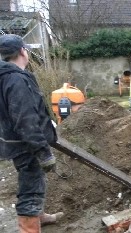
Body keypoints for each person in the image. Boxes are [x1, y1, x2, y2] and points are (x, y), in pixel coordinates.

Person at [0, 34, 63, 232]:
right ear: (22, 52)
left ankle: (40, 217)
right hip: (25, 143)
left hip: (13, 140)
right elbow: (25, 120)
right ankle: (29, 228)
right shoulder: (16, 79)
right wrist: (42, 152)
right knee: (31, 187)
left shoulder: (5, 77)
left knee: (35, 179)